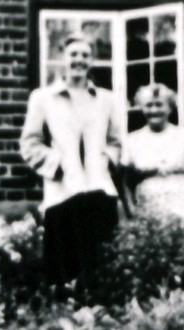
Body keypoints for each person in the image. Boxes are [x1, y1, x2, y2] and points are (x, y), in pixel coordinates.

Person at [19, 34, 124, 286]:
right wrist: (57, 164)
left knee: (100, 264)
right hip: (62, 191)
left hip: (99, 189)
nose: (79, 60)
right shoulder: (43, 98)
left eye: (85, 55)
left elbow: (116, 141)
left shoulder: (107, 99)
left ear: (92, 61)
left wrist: (106, 160)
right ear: (62, 59)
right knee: (64, 266)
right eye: (74, 54)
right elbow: (29, 143)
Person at [123, 83, 184, 221]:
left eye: (159, 105)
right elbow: (125, 181)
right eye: (149, 105)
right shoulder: (132, 140)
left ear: (170, 108)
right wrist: (131, 209)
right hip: (150, 204)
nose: (154, 110)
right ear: (142, 108)